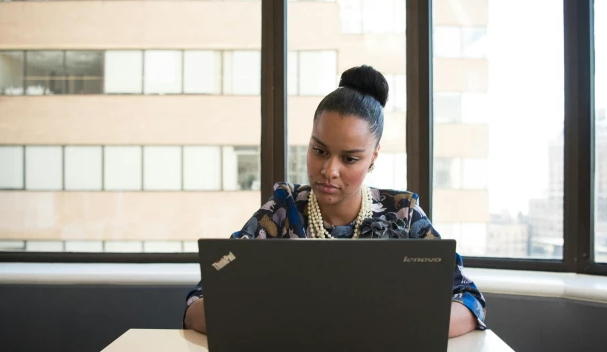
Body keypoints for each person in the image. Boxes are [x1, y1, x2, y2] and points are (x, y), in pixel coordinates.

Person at [184, 65, 486, 337]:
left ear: (373, 157)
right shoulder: (280, 211)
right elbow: (199, 302)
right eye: (320, 151)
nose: (329, 171)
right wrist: (266, 320)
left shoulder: (403, 215)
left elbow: (469, 300)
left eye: (350, 158)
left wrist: (402, 325)